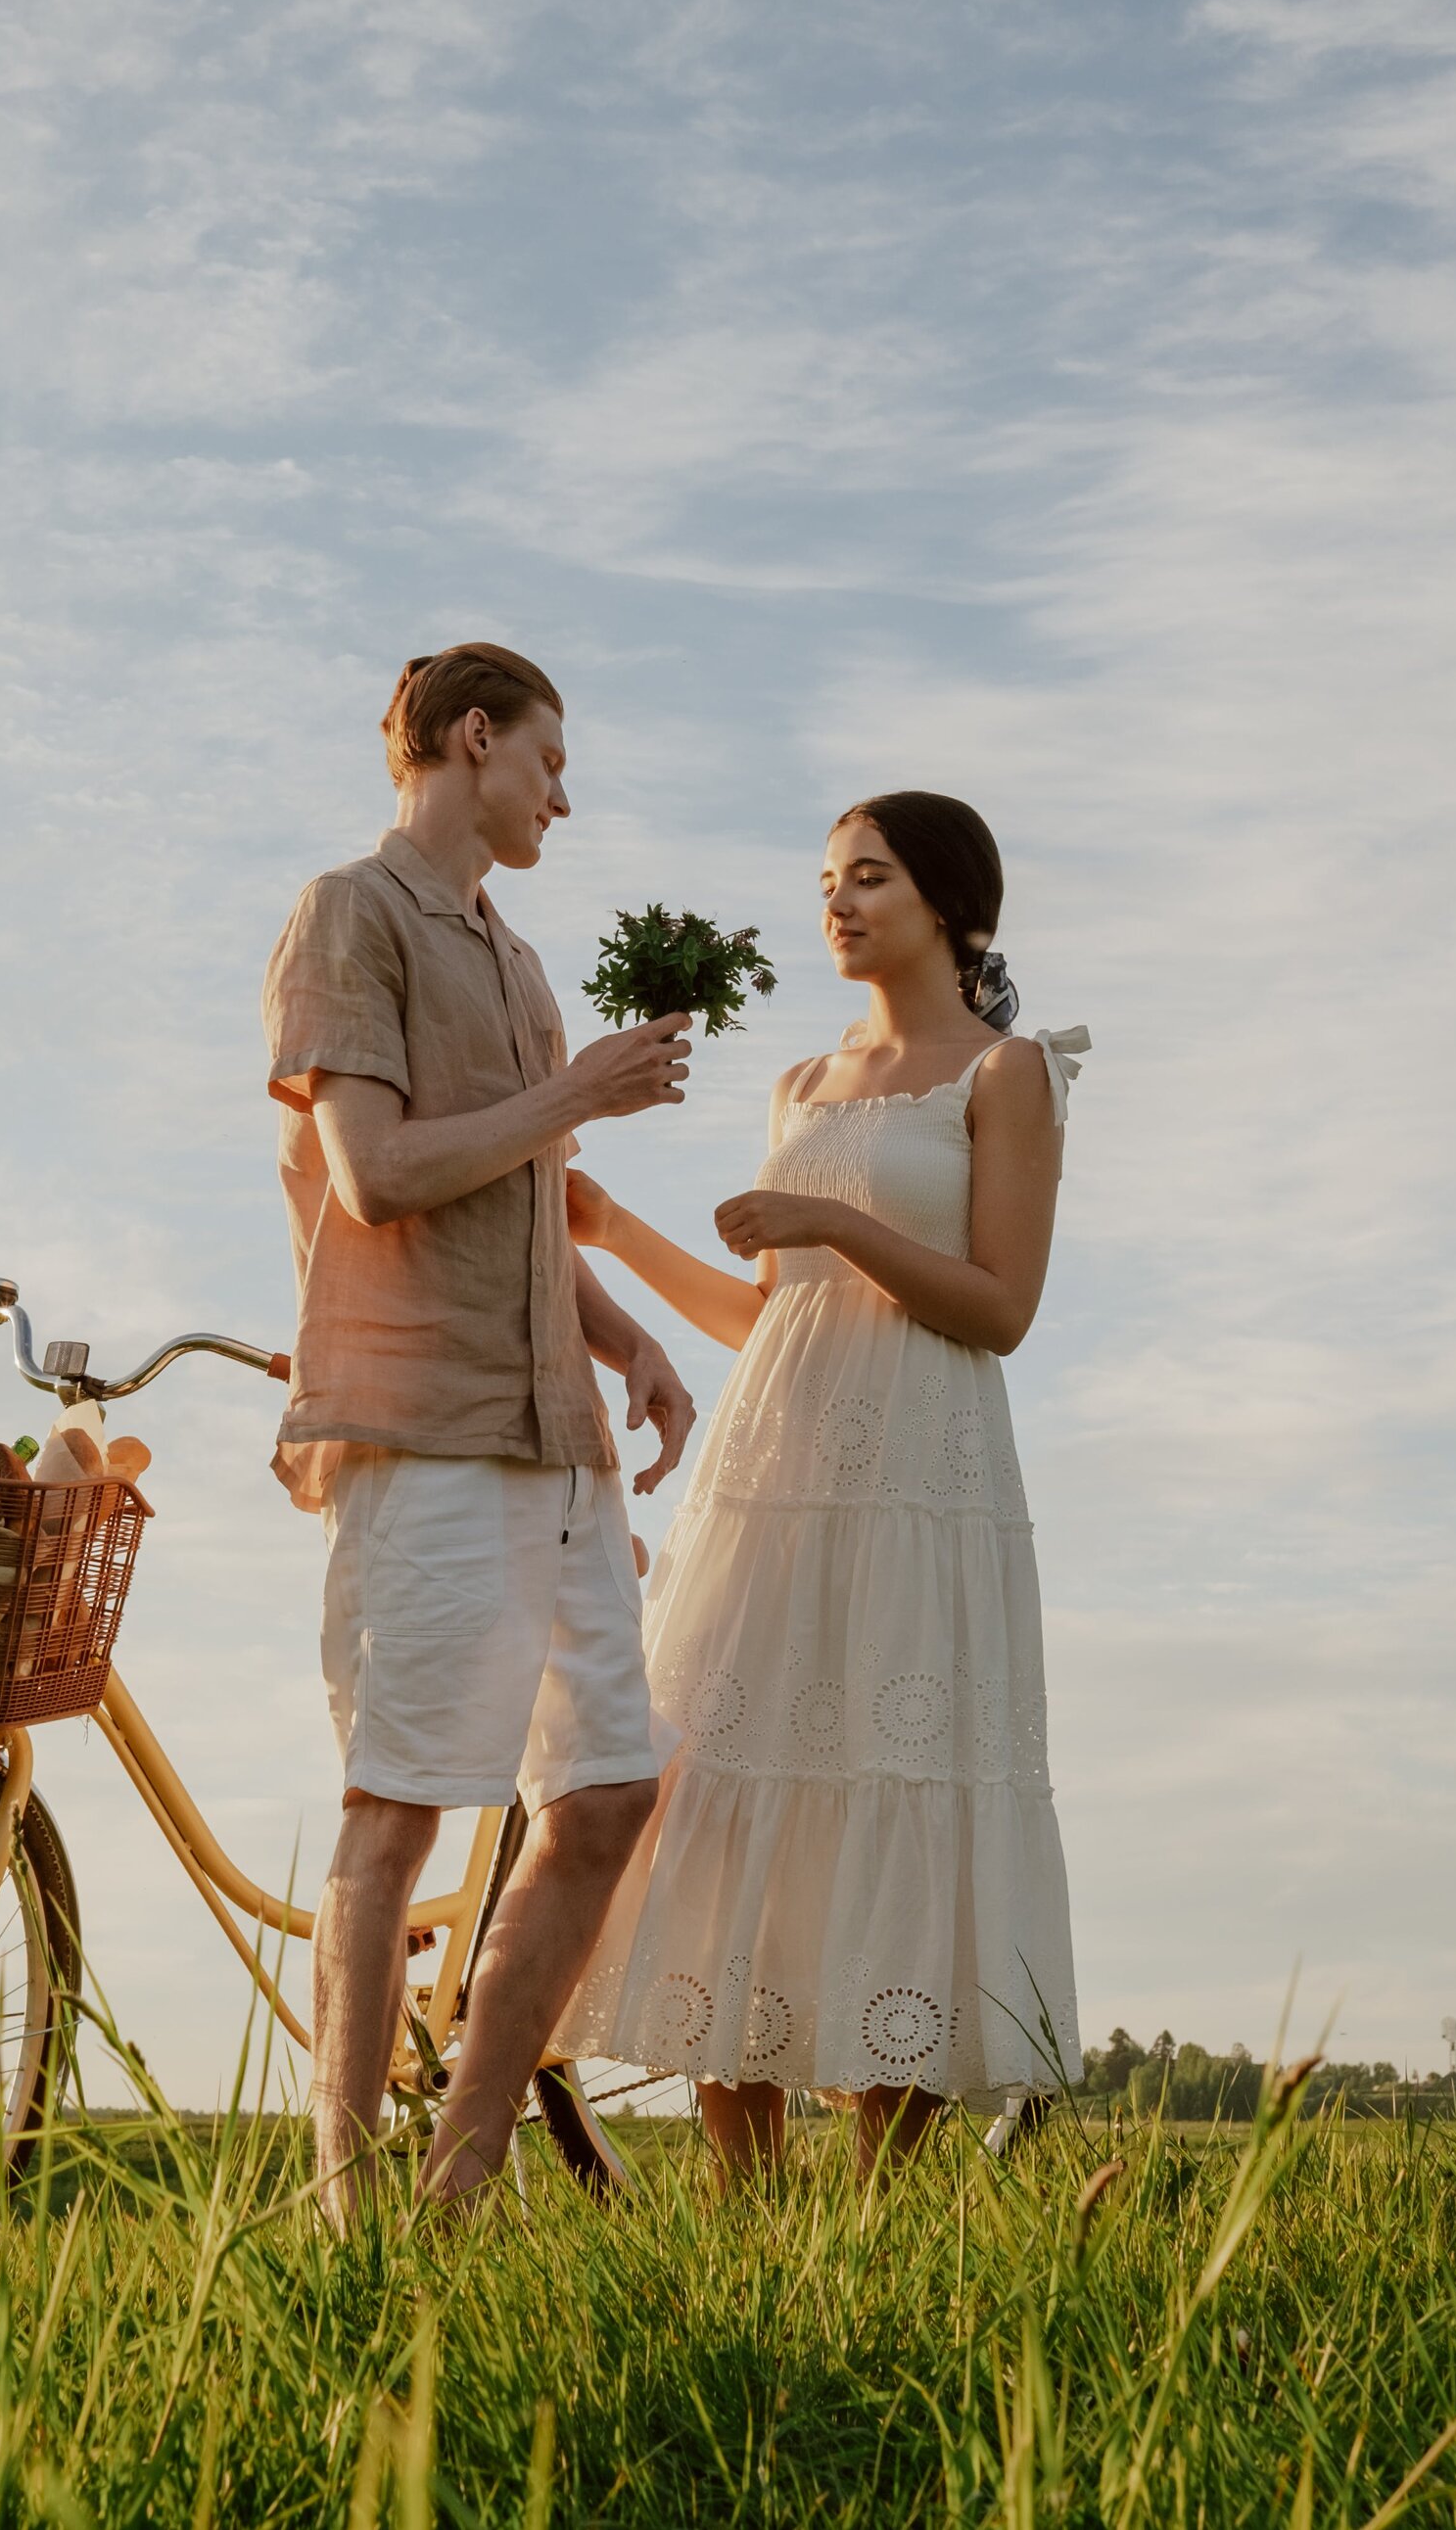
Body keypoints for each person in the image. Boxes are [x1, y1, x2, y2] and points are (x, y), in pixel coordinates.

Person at [561, 791, 1086, 2183]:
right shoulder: (800, 1083)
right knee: (731, 1792)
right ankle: (744, 2208)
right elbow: (770, 1312)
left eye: (870, 879)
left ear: (949, 906)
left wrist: (834, 1221)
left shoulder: (1007, 1074)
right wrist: (611, 1231)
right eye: (829, 881)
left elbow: (1000, 1307)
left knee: (893, 1782)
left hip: (923, 1474)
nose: (839, 903)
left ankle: (876, 2217)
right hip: (778, 1467)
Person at [259, 642, 701, 2227]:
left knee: (607, 1798)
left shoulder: (519, 964)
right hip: (424, 1424)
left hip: (559, 1440)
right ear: (469, 739)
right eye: (548, 763)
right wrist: (576, 1098)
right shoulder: (347, 915)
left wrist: (633, 1342)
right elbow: (376, 1173)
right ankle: (346, 2210)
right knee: (397, 1815)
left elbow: (515, 1199)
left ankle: (457, 2182)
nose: (562, 799)